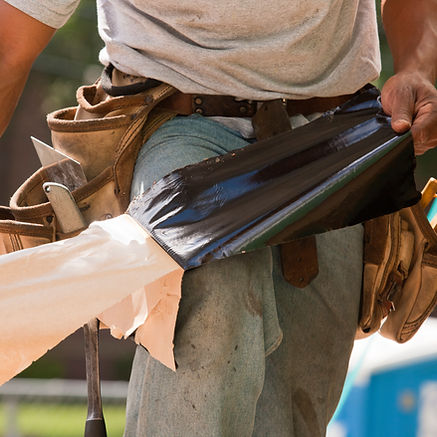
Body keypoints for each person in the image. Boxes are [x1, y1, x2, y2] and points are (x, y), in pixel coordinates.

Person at [0, 1, 436, 436]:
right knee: (212, 295)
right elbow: (9, 44)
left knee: (292, 415)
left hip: (333, 136)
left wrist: (417, 67)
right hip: (175, 115)